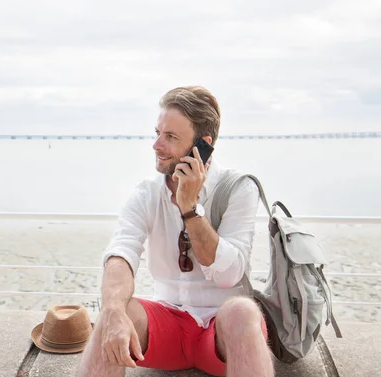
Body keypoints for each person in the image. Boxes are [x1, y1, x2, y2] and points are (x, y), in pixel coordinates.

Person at [76, 86, 274, 377]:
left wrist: (190, 208)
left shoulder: (238, 188)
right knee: (113, 313)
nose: (156, 144)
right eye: (157, 132)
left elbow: (229, 275)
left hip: (221, 334)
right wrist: (114, 311)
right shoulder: (146, 193)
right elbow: (122, 253)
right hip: (169, 325)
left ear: (202, 146)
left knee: (244, 311)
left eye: (170, 137)